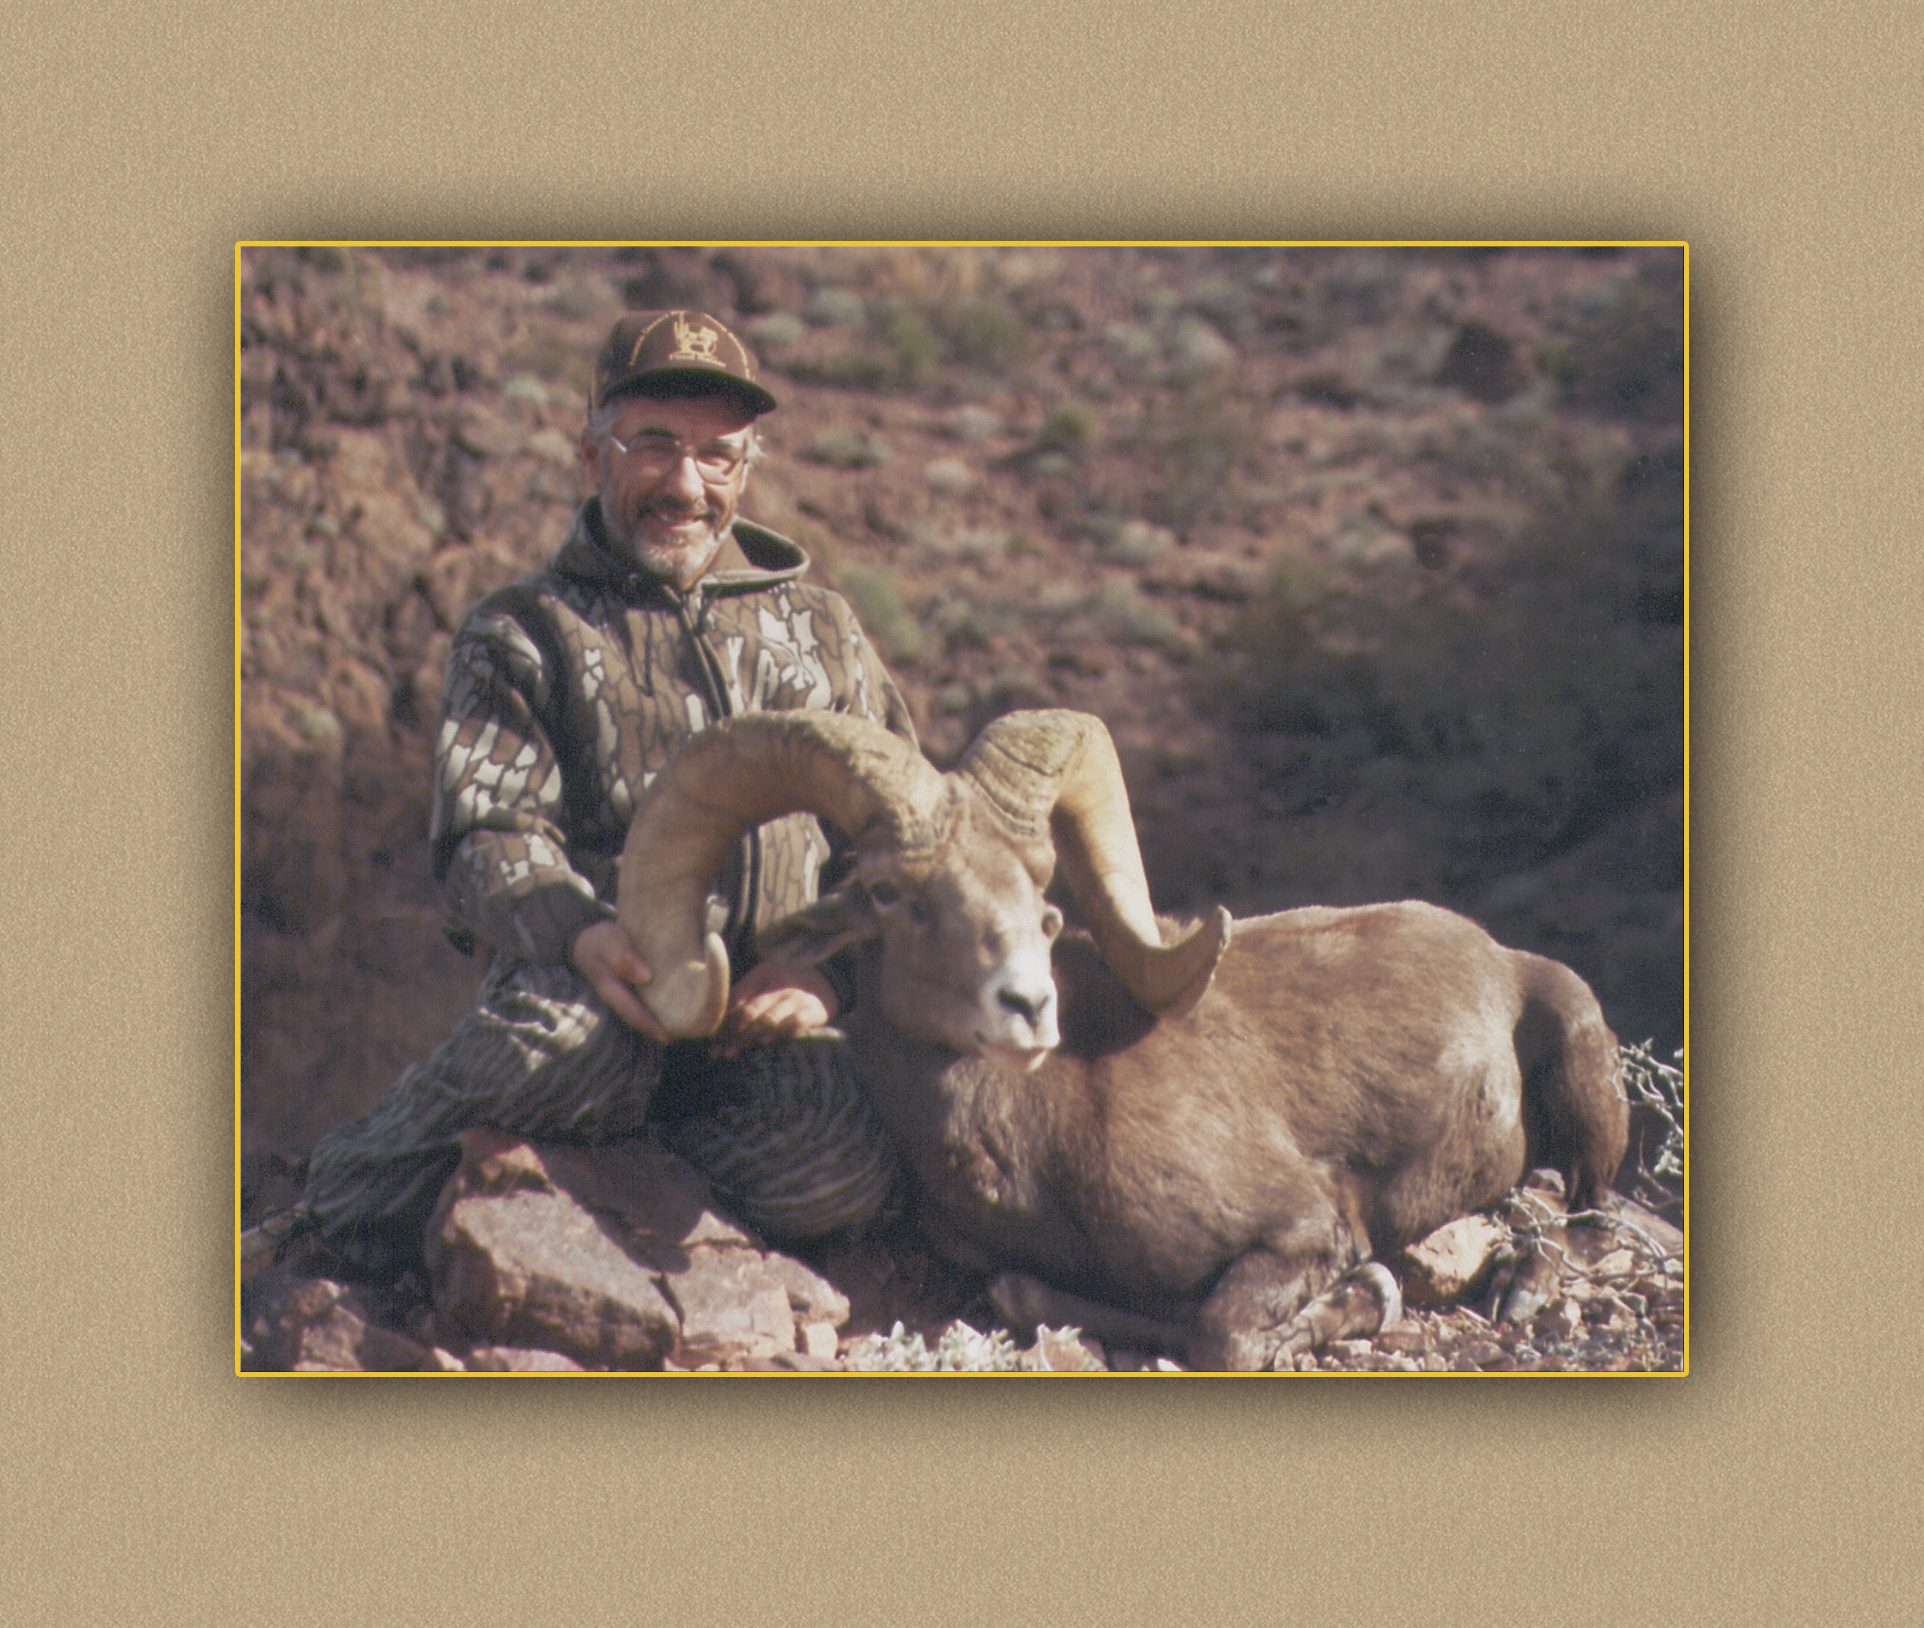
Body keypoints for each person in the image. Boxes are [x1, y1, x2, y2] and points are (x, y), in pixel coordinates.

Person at [298, 310, 917, 1281]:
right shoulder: (519, 632)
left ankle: (604, 1197)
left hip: (760, 1018)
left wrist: (823, 973)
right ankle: (327, 1203)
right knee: (575, 1056)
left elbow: (901, 831)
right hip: (589, 986)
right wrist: (583, 935)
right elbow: (485, 833)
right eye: (655, 446)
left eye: (716, 455)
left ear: (746, 468)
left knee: (838, 1172)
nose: (685, 483)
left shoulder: (823, 628)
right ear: (591, 454)